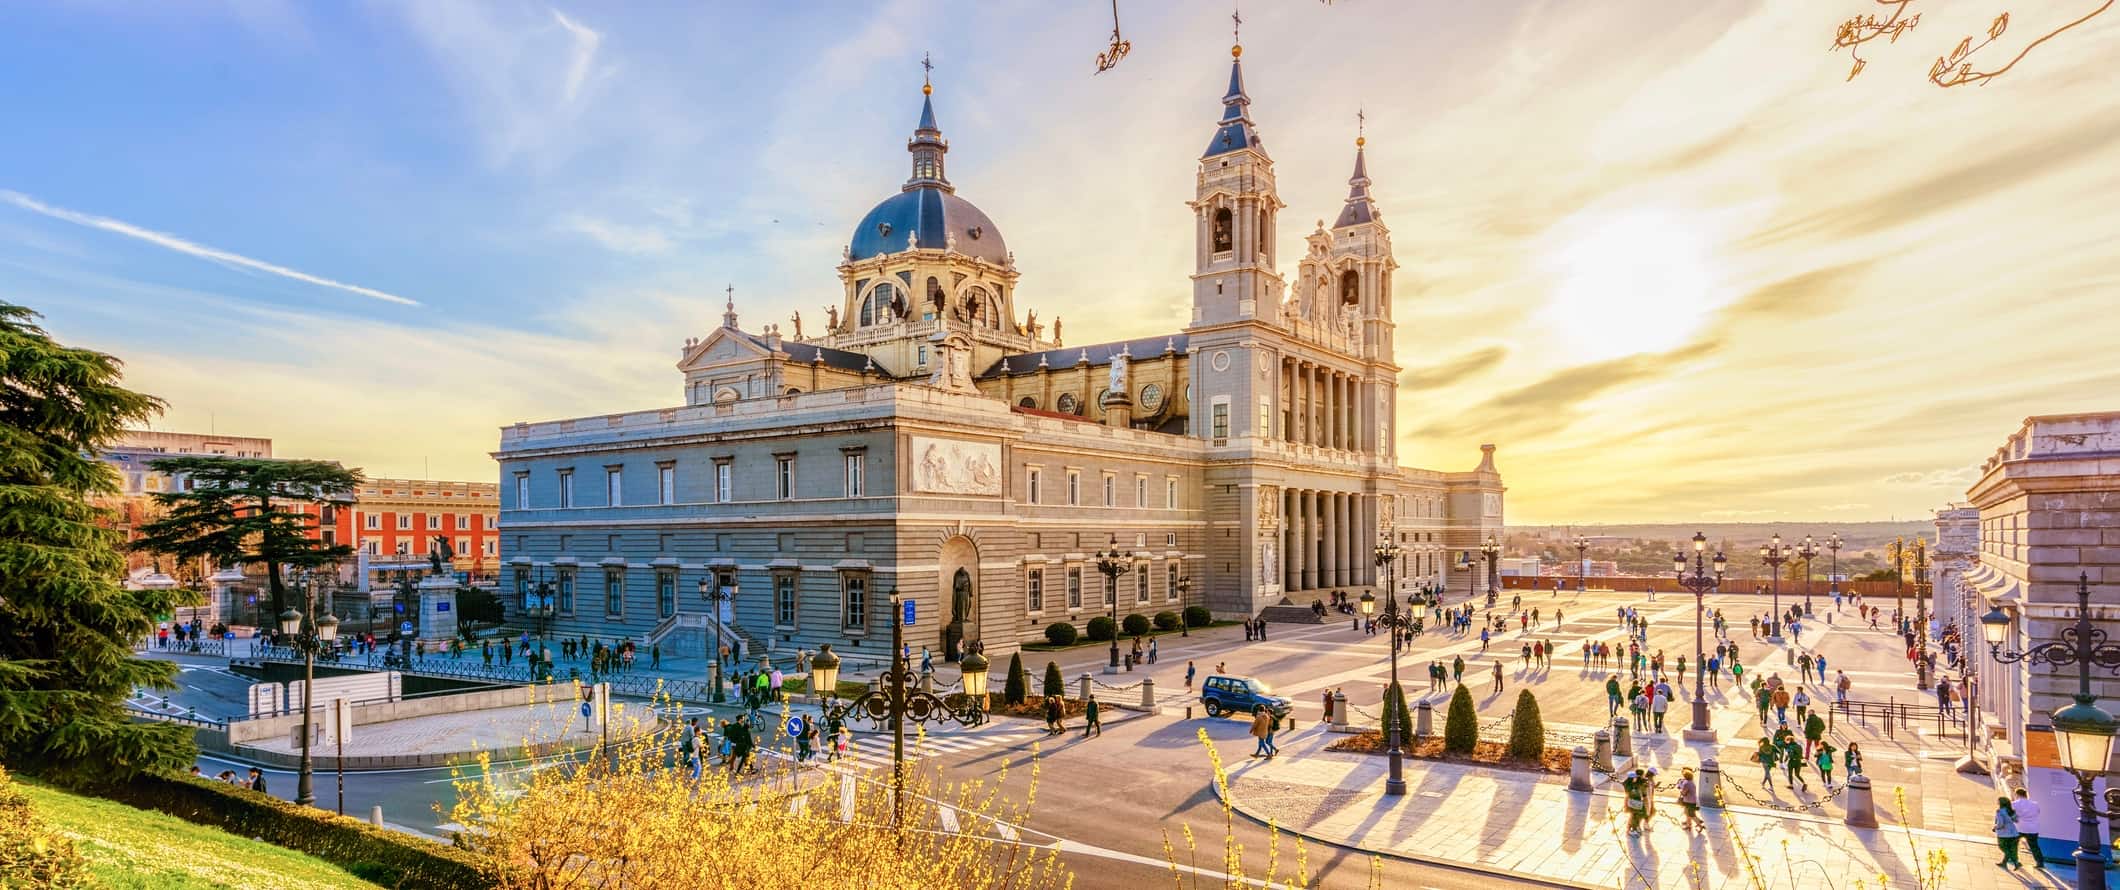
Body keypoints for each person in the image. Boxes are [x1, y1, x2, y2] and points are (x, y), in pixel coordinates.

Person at [2013, 787, 2044, 869]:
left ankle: (2014, 860)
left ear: (2017, 794)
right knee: (2034, 846)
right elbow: (2038, 812)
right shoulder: (2035, 804)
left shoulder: (2015, 804)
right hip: (2033, 829)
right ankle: (2040, 863)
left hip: (2019, 828)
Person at [1994, 796, 2023, 869]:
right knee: (2011, 848)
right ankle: (2005, 863)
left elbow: (2000, 824)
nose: (1997, 802)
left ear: (2001, 803)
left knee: (2002, 847)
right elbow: (2016, 820)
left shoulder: (1999, 811)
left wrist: (1995, 827)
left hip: (2004, 834)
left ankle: (2015, 862)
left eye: (1998, 801)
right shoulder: (2011, 811)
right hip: (2013, 833)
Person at [1676, 767, 1706, 832]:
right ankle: (1688, 825)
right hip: (1692, 801)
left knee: (1691, 815)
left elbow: (1683, 793)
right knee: (1687, 813)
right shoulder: (1691, 782)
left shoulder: (1686, 783)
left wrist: (1680, 788)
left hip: (1689, 802)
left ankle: (1700, 825)